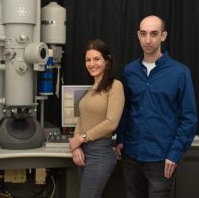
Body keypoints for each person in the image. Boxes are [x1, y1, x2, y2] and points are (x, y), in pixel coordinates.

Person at [115, 15, 198, 198]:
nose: (148, 40)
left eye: (154, 34)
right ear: (138, 35)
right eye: (143, 34)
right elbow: (125, 109)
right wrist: (120, 138)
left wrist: (175, 153)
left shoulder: (180, 73)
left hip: (162, 158)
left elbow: (189, 118)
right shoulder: (129, 71)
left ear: (163, 36)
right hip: (131, 155)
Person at [69, 39, 125, 198]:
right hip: (84, 152)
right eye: (88, 60)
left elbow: (111, 123)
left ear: (107, 61)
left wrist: (81, 138)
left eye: (96, 59)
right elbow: (81, 119)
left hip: (100, 153)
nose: (91, 63)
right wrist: (76, 146)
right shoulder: (91, 90)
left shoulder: (115, 86)